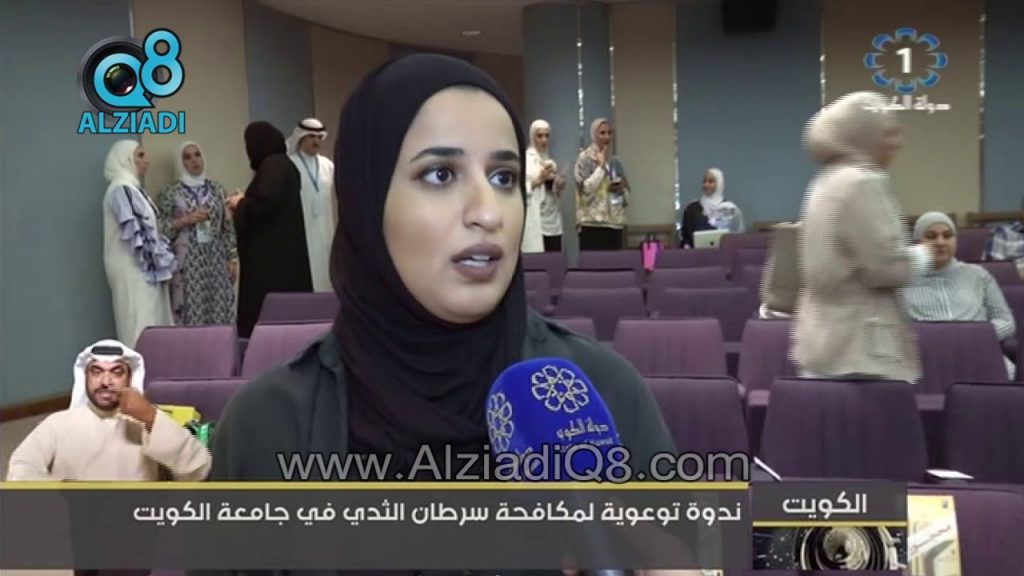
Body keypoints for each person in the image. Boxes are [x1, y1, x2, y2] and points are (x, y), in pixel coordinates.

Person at [208, 53, 675, 479]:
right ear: (366, 202)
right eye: (440, 174)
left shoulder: (604, 395)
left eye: (504, 177)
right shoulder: (264, 429)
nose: (488, 213)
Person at [791, 91, 934, 382]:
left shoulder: (824, 182)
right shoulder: (863, 183)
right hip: (860, 351)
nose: (898, 143)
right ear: (863, 136)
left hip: (821, 345)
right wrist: (924, 255)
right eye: (888, 134)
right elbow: (888, 268)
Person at [6, 339, 211, 481]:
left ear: (130, 379)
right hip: (74, 522)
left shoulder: (150, 423)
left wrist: (150, 416)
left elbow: (199, 468)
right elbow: (19, 472)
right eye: (96, 372)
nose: (105, 382)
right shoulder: (58, 424)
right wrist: (63, 492)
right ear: (85, 378)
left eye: (116, 372)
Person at [903, 212, 1017, 379]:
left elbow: (1006, 321)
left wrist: (972, 337)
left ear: (955, 240)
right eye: (931, 236)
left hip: (978, 352)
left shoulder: (978, 275)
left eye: (947, 235)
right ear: (917, 243)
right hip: (927, 357)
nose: (940, 242)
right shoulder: (901, 280)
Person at [227, 122, 313, 338]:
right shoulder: (284, 165)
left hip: (271, 264)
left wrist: (240, 203)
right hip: (285, 259)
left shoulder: (272, 166)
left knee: (266, 320)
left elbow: (263, 206)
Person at [102, 140, 175, 347]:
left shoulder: (134, 189)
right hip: (134, 270)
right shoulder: (121, 190)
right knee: (139, 325)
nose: (146, 161)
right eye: (140, 156)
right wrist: (161, 266)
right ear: (125, 159)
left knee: (153, 323)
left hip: (145, 270)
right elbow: (139, 235)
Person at [158, 141, 238, 326]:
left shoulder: (217, 189)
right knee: (192, 311)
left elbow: (227, 226)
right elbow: (161, 228)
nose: (194, 160)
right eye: (187, 157)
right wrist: (185, 220)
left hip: (216, 258)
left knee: (219, 308)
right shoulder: (171, 192)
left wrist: (232, 258)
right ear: (180, 163)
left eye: (197, 155)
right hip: (188, 261)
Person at [286, 117, 337, 292]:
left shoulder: (328, 165)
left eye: (319, 137)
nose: (316, 141)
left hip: (325, 233)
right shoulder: (291, 164)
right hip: (302, 234)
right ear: (301, 137)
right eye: (311, 137)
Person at [574, 118, 630, 250]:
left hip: (614, 224)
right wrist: (601, 167)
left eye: (609, 133)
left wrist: (621, 189)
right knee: (593, 262)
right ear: (594, 135)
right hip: (592, 224)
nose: (607, 137)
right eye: (602, 133)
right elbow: (585, 191)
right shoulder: (584, 159)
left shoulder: (615, 162)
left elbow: (627, 197)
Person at [679, 168, 745, 248]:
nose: (706, 185)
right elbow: (685, 236)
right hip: (697, 254)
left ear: (719, 184)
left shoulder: (729, 208)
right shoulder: (691, 208)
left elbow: (736, 235)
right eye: (704, 181)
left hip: (723, 253)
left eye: (711, 181)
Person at [526, 119, 565, 253]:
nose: (544, 140)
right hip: (536, 219)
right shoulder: (526, 160)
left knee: (555, 257)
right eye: (540, 136)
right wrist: (539, 179)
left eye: (547, 136)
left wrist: (558, 184)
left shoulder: (550, 161)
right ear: (533, 137)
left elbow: (554, 191)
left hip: (553, 218)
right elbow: (520, 189)